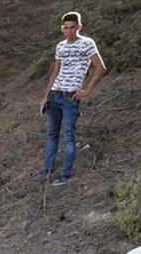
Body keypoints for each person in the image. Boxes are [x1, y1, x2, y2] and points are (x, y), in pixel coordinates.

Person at [38, 12, 106, 185]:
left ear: (79, 27)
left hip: (70, 97)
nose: (68, 31)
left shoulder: (87, 44)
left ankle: (65, 175)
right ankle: (47, 170)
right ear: (62, 28)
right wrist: (46, 96)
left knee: (69, 136)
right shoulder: (60, 46)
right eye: (65, 28)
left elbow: (100, 68)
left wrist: (88, 90)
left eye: (72, 27)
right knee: (52, 134)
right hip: (55, 94)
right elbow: (55, 71)